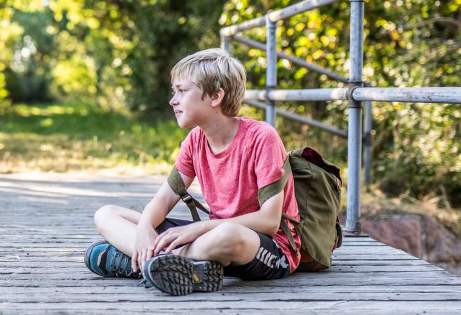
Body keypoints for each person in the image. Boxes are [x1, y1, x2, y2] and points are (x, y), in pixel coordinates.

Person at [84, 48, 301, 295]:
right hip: (210, 240)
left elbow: (269, 222)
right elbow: (165, 199)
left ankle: (144, 262)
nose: (172, 100)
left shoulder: (262, 138)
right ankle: (178, 265)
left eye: (182, 91)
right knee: (107, 214)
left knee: (227, 235)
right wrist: (144, 227)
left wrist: (197, 229)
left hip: (268, 249)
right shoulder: (195, 140)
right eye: (173, 92)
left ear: (216, 96)